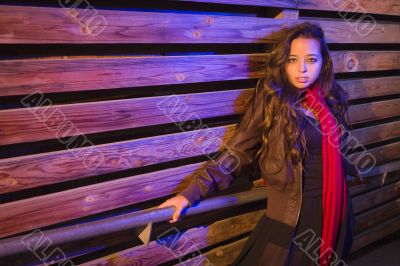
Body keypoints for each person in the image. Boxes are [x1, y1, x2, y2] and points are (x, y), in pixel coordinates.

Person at [157, 22, 363, 266]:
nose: (302, 69)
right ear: (283, 62)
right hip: (292, 216)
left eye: (311, 59)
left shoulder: (332, 100)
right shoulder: (271, 102)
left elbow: (340, 152)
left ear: (323, 63)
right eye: (293, 60)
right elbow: (236, 154)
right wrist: (189, 194)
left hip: (335, 210)